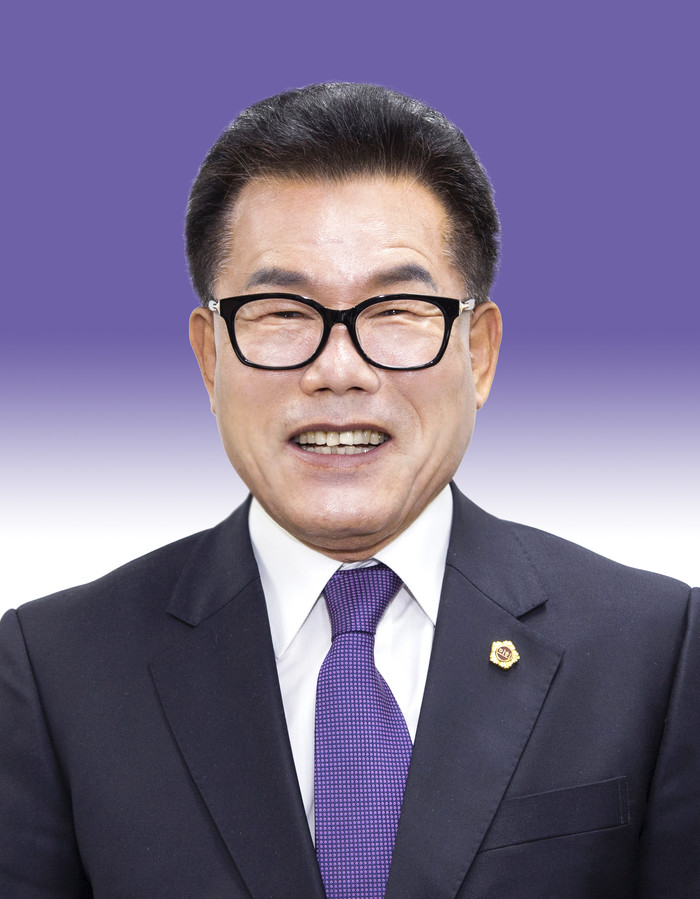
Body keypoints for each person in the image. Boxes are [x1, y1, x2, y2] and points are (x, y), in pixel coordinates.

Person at [1, 83, 697, 899]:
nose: (339, 370)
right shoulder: (55, 671)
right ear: (210, 357)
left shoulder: (657, 651)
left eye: (396, 309)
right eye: (282, 312)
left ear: (478, 353)